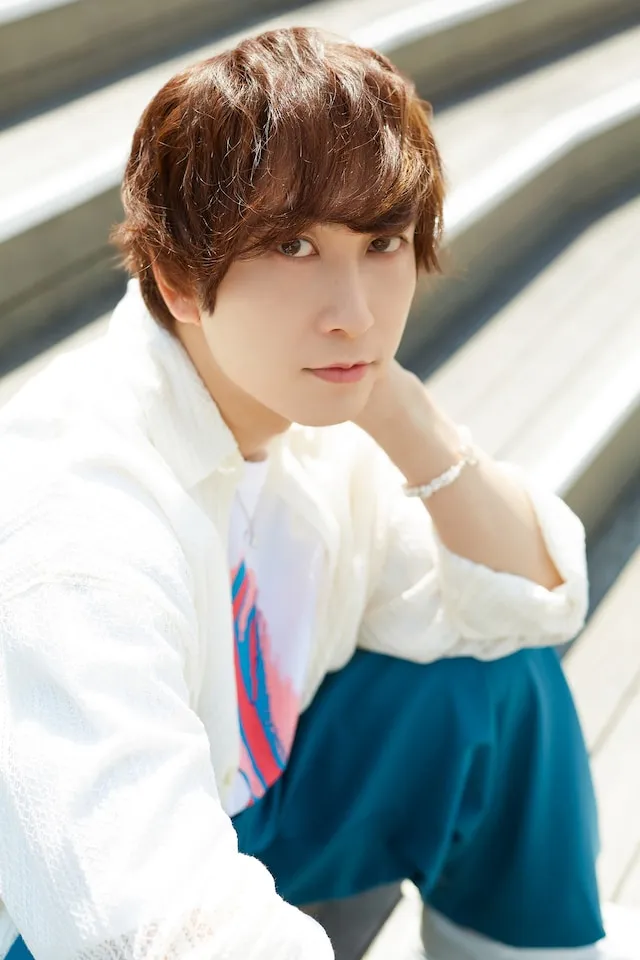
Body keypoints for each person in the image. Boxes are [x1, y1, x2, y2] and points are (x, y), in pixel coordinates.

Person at [0, 24, 638, 960]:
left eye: (382, 242)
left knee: (496, 684)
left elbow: (526, 600)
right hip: (62, 915)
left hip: (250, 803)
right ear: (178, 279)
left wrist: (406, 418)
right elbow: (144, 920)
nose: (357, 314)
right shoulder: (78, 522)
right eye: (293, 245)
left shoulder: (296, 416)